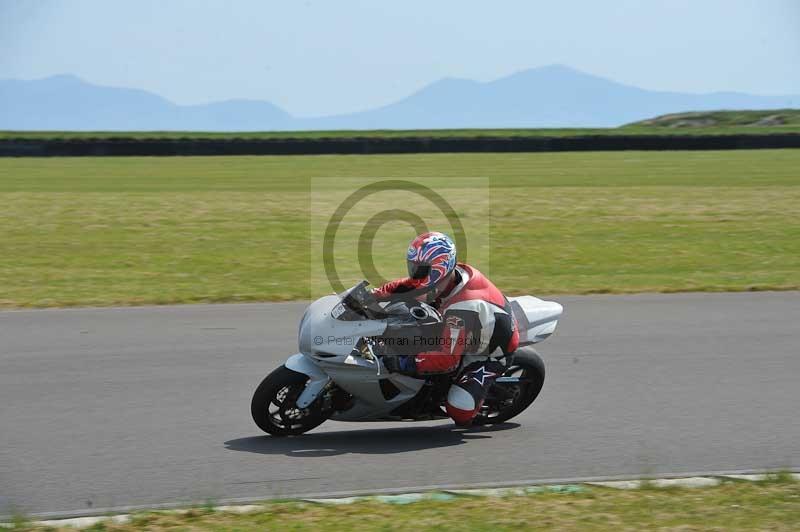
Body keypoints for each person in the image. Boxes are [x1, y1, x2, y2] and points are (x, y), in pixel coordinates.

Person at [373, 231, 519, 425]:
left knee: (460, 411)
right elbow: (406, 286)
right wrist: (372, 296)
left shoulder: (463, 309)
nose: (414, 272)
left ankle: (477, 387)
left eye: (419, 268)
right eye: (413, 266)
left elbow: (445, 360)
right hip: (467, 329)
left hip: (487, 352)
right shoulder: (446, 278)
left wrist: (403, 363)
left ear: (438, 269)